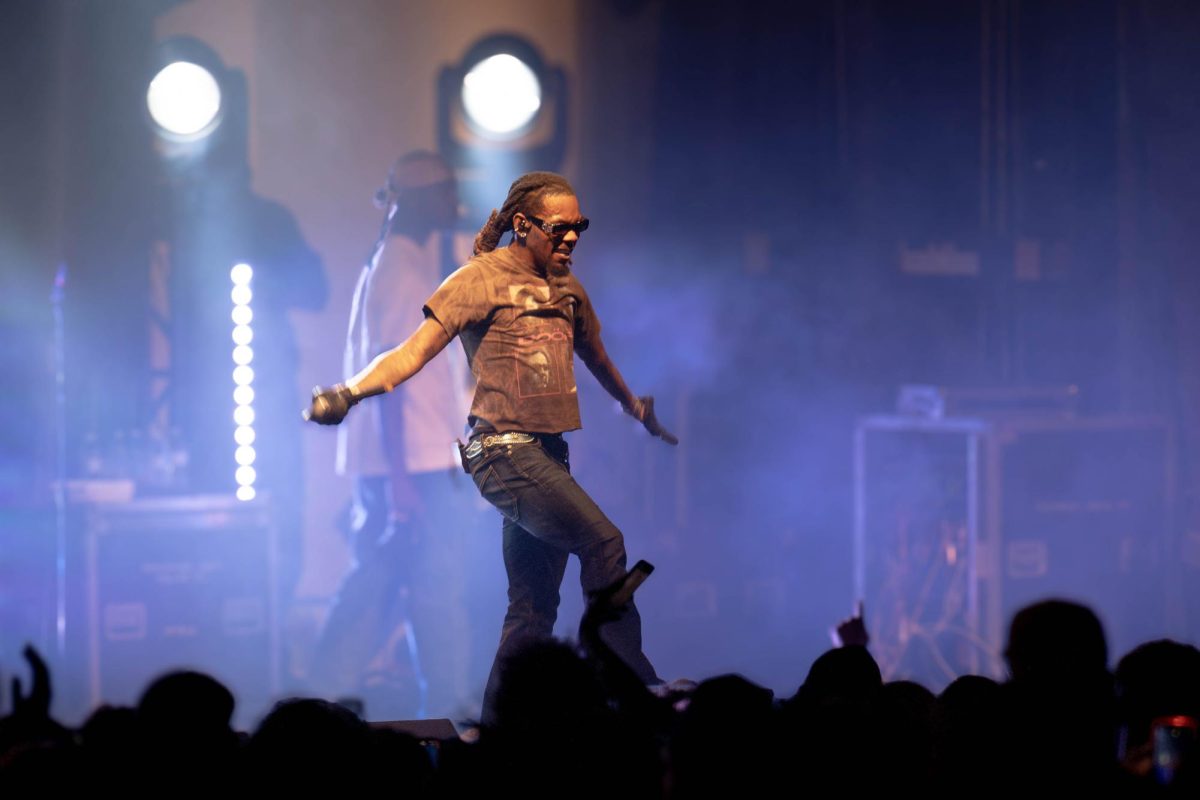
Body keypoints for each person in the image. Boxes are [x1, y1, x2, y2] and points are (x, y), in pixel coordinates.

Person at [305, 170, 678, 725]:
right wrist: (348, 393)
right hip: (502, 454)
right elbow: (410, 354)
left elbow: (596, 356)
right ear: (523, 226)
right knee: (604, 543)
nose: (572, 237)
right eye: (560, 228)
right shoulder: (478, 280)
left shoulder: (568, 289)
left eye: (580, 226)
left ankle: (499, 728)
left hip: (547, 455)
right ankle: (634, 686)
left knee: (532, 607)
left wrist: (633, 406)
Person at [308, 151, 476, 721]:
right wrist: (404, 484)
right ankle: (448, 725)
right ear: (418, 201)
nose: (454, 204)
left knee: (386, 593)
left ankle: (318, 708)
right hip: (415, 472)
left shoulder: (396, 264)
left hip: (410, 469)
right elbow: (393, 385)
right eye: (446, 192)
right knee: (432, 601)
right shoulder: (400, 272)